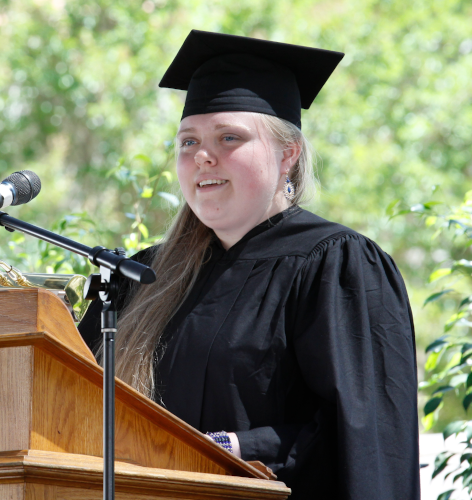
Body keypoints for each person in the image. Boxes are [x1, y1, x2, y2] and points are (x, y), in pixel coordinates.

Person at [78, 30, 420, 500]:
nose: (202, 155)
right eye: (187, 141)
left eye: (229, 137)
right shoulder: (144, 278)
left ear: (288, 154)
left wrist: (238, 447)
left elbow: (368, 443)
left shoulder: (334, 266)